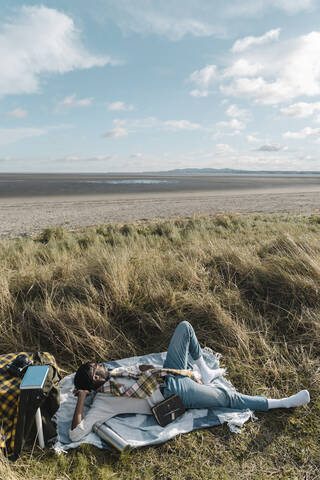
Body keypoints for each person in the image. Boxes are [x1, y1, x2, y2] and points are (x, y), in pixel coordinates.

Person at [70, 321, 310, 442]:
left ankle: (203, 371)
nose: (100, 364)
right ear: (94, 379)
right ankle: (283, 403)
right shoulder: (103, 403)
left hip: (167, 372)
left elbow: (140, 369)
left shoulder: (114, 372)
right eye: (96, 367)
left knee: (184, 327)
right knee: (227, 398)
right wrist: (81, 398)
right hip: (172, 391)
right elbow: (75, 435)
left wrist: (167, 370)